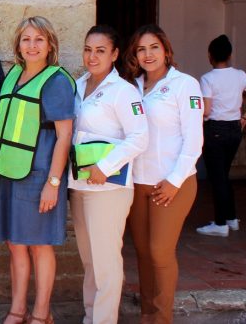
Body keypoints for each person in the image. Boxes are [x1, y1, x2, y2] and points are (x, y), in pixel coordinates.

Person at [0, 16, 75, 324]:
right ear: (18, 44)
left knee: (40, 246)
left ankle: (41, 312)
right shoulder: (13, 74)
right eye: (26, 39)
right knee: (16, 244)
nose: (32, 45)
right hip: (9, 173)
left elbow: (64, 136)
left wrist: (53, 182)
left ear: (50, 44)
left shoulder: (56, 80)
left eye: (39, 39)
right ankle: (18, 309)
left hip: (40, 174)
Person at [124, 24, 203, 324]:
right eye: (141, 49)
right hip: (138, 181)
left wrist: (174, 180)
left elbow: (194, 140)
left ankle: (162, 319)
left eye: (154, 47)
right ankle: (146, 315)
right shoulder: (131, 87)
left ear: (166, 50)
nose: (148, 54)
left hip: (173, 182)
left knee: (159, 251)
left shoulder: (185, 85)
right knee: (143, 252)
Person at [70, 25, 148, 324]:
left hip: (110, 188)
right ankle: (91, 317)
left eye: (101, 50)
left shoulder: (124, 91)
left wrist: (105, 167)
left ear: (114, 54)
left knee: (106, 262)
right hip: (79, 184)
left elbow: (140, 137)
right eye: (88, 49)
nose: (92, 56)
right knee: (89, 261)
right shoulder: (77, 85)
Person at [196, 34, 246, 237]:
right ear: (229, 55)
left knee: (217, 178)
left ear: (210, 56)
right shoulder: (240, 75)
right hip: (235, 130)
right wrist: (245, 117)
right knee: (224, 175)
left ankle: (220, 224)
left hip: (215, 130)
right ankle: (231, 219)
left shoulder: (207, 78)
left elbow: (207, 111)